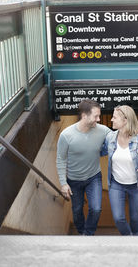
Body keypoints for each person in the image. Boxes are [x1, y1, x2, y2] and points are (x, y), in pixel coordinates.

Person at [102, 105, 138, 235]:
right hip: (116, 185)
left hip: (137, 186)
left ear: (125, 120)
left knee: (134, 218)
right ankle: (130, 239)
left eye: (115, 117)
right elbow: (100, 151)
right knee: (118, 219)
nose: (111, 120)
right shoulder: (110, 138)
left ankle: (135, 234)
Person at [56, 99, 110, 235]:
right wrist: (63, 183)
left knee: (96, 209)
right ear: (84, 116)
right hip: (74, 180)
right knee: (77, 210)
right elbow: (61, 159)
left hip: (94, 177)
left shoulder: (103, 130)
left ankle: (88, 234)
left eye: (99, 116)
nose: (98, 119)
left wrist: (137, 134)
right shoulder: (66, 135)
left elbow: (118, 138)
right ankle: (81, 232)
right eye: (96, 116)